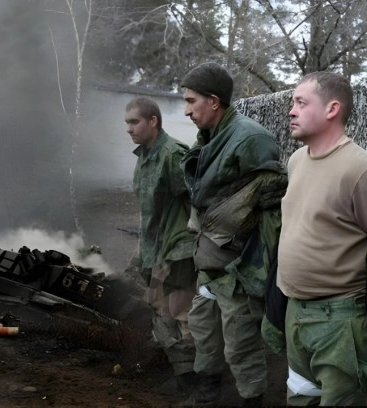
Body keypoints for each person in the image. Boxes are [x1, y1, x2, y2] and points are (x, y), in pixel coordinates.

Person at [277, 71, 367, 405]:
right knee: (300, 397)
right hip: (295, 313)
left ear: (332, 109)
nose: (291, 110)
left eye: (301, 102)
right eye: (292, 102)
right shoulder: (296, 161)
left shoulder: (362, 172)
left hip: (340, 321)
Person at [180, 62, 287, 407]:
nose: (186, 111)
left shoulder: (251, 139)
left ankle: (251, 400)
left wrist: (253, 269)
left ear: (214, 101)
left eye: (191, 101)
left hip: (237, 269)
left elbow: (270, 214)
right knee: (204, 333)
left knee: (241, 344)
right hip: (208, 262)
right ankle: (206, 396)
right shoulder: (210, 137)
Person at [124, 97, 198, 398]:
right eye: (127, 123)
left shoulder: (172, 155)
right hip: (157, 248)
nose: (128, 129)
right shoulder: (144, 157)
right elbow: (148, 213)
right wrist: (141, 255)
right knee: (158, 309)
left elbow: (200, 199)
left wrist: (193, 242)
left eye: (134, 122)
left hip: (179, 248)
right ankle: (181, 373)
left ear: (153, 121)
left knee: (183, 315)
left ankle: (198, 383)